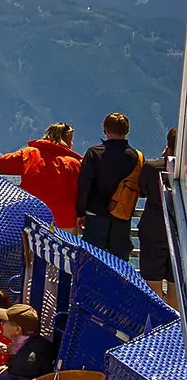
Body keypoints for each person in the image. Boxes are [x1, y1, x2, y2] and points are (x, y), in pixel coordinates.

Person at [76, 111, 142, 255]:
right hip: (122, 217)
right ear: (127, 130)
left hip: (95, 215)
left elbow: (84, 185)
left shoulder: (94, 153)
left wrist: (81, 212)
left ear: (106, 130)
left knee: (93, 261)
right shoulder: (137, 157)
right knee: (118, 263)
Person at [0, 123, 81, 230]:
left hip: (33, 219)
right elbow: (80, 191)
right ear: (63, 140)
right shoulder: (73, 163)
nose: (71, 144)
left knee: (31, 247)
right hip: (64, 220)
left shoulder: (29, 154)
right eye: (70, 140)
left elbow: (3, 163)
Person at [0, 303, 56, 380]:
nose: (1, 324)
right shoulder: (33, 343)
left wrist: (7, 370)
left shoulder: (27, 359)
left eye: (5, 321)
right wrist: (8, 363)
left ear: (17, 329)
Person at [141, 128, 178, 306]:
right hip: (179, 231)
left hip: (154, 229)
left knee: (152, 281)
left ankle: (155, 325)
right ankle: (175, 325)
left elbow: (142, 189)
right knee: (176, 283)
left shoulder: (151, 167)